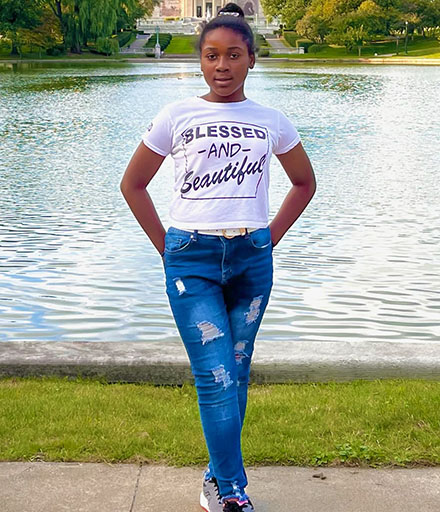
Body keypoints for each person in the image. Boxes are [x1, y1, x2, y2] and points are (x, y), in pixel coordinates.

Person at [119, 4, 316, 511]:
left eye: (233, 55)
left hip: (251, 259)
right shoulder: (177, 115)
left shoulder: (271, 121)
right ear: (200, 60)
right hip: (193, 259)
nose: (222, 66)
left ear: (252, 59)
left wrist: (269, 237)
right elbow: (133, 184)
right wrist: (167, 247)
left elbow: (303, 183)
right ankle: (232, 493)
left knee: (236, 367)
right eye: (211, 56)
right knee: (216, 374)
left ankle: (216, 477)